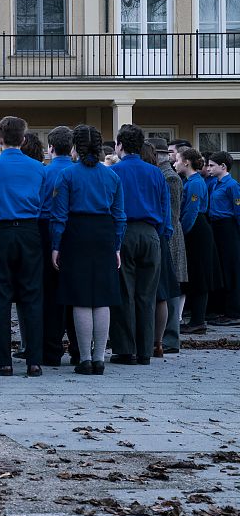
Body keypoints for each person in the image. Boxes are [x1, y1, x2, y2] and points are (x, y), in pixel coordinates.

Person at [51, 124, 126, 375]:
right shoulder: (112, 176)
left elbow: (59, 215)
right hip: (104, 233)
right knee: (102, 298)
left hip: (76, 233)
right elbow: (120, 216)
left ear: (75, 147)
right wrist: (117, 244)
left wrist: (55, 245)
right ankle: (99, 358)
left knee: (81, 297)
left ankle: (84, 359)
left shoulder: (68, 175)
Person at [0, 117, 46, 377]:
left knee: (0, 296)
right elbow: (41, 201)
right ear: (24, 139)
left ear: (0, 139)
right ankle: (34, 361)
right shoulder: (38, 168)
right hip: (29, 230)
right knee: (32, 296)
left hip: (0, 230)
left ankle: (3, 360)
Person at [108, 124, 172, 365]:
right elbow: (165, 209)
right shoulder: (156, 172)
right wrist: (162, 235)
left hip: (124, 232)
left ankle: (126, 349)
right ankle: (146, 349)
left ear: (120, 145)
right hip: (151, 233)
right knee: (148, 294)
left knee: (125, 292)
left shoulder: (115, 171)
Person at [39, 126, 78, 366]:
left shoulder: (44, 173)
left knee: (50, 295)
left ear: (50, 148)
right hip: (74, 232)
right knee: (75, 294)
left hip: (46, 229)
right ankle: (77, 348)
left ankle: (51, 350)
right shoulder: (78, 171)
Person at [175, 148, 221, 334]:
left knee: (200, 274)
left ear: (186, 162)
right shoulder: (191, 181)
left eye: (178, 159)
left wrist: (182, 232)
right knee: (195, 274)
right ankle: (196, 319)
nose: (175, 163)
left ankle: (198, 320)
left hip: (197, 230)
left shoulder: (194, 183)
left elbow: (191, 211)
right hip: (196, 228)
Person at [148, 137, 186, 357]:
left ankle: (170, 337)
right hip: (165, 234)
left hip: (169, 237)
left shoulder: (169, 178)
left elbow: (171, 214)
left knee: (169, 288)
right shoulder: (163, 175)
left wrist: (166, 237)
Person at [206, 151, 240, 325]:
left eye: (212, 165)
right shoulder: (214, 184)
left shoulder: (232, 185)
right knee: (220, 269)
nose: (209, 168)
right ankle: (221, 309)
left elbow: (238, 211)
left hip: (228, 228)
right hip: (216, 227)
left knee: (231, 269)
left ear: (223, 167)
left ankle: (234, 312)